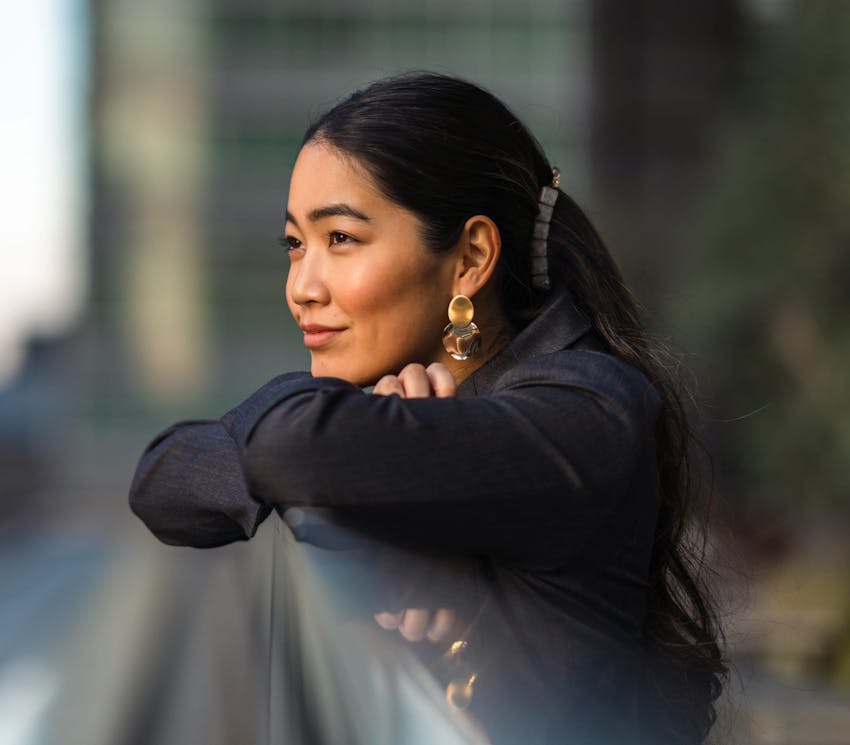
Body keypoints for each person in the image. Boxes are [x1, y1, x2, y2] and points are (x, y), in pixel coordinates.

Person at [129, 72, 727, 744]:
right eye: (295, 244)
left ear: (470, 257)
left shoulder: (588, 409)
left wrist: (346, 461)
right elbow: (163, 481)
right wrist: (366, 454)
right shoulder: (382, 410)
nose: (302, 287)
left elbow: (288, 450)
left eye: (341, 239)